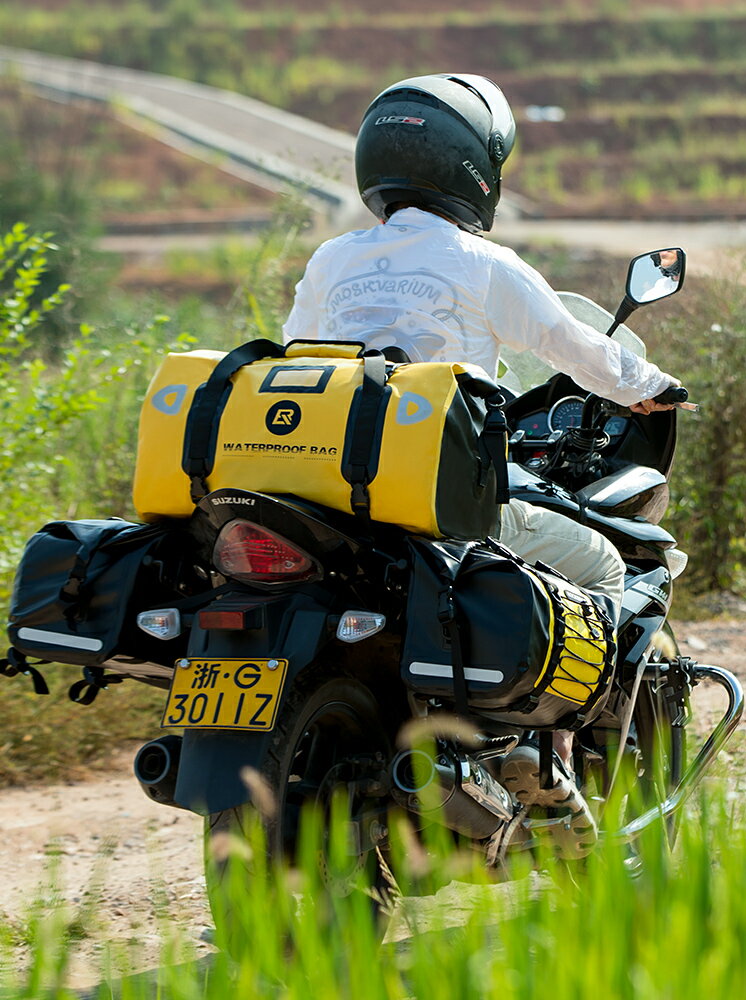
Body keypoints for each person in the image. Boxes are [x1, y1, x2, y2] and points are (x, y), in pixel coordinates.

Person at [282, 73, 681, 814]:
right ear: (475, 168)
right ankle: (553, 759)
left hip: (327, 494)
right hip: (437, 497)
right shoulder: (482, 264)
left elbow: (294, 357)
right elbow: (575, 347)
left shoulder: (331, 260)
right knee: (601, 565)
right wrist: (650, 386)